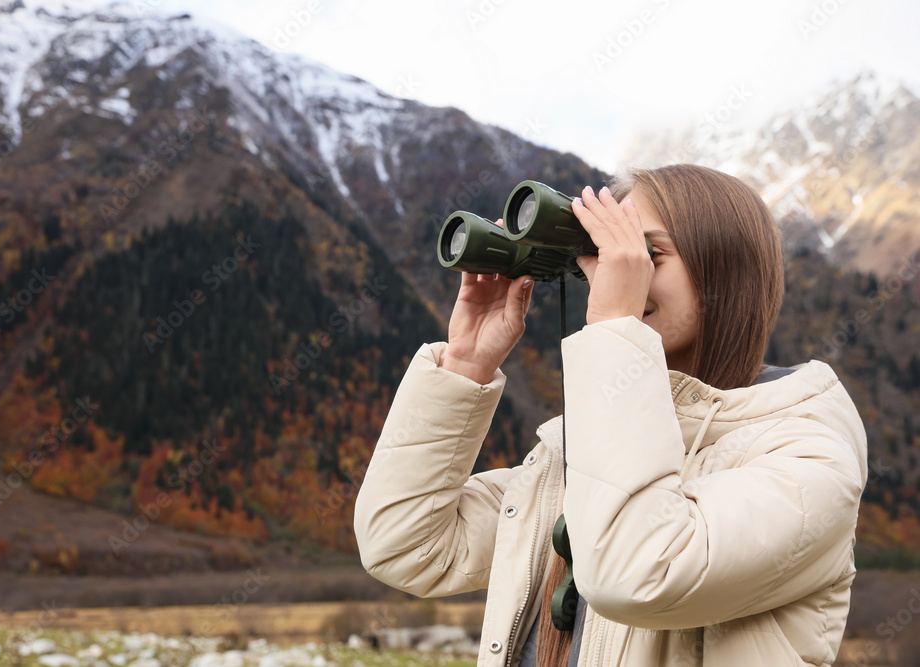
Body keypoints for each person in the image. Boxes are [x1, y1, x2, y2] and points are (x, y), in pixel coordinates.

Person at [353, 164, 867, 666]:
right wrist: (465, 365)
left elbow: (637, 573)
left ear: (725, 273)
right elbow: (405, 545)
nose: (615, 275)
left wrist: (615, 329)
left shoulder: (810, 461)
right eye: (605, 254)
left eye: (647, 254)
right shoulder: (581, 461)